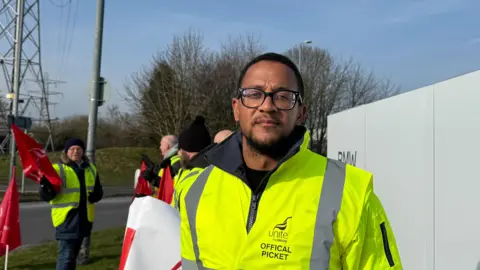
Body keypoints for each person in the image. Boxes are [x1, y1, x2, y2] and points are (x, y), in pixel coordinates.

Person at [178, 52, 402, 269]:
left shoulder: (350, 193)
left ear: (301, 113)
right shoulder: (196, 191)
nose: (267, 106)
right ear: (236, 108)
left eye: (283, 96)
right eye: (254, 94)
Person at [39, 138, 103, 270]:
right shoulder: (56, 169)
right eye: (72, 149)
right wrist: (45, 186)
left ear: (83, 151)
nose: (75, 151)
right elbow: (46, 196)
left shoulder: (90, 168)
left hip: (84, 220)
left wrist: (96, 196)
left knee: (72, 256)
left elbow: (98, 190)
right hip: (66, 220)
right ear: (66, 152)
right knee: (66, 257)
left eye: (78, 149)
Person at [170, 115, 212, 210]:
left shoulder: (204, 175)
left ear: (187, 149)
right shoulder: (188, 170)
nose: (178, 153)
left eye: (180, 149)